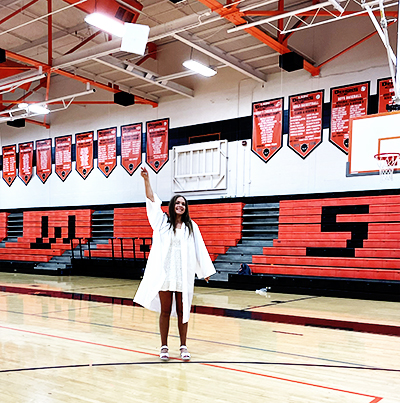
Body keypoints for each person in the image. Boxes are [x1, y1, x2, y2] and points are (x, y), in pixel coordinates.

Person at [134, 166, 216, 361]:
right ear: (172, 205)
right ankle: (163, 347)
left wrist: (204, 270)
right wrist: (146, 180)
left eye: (184, 203)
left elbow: (199, 248)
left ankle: (183, 346)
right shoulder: (162, 222)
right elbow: (152, 201)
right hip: (165, 274)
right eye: (178, 202)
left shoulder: (191, 226)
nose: (181, 205)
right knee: (164, 310)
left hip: (183, 275)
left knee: (182, 310)